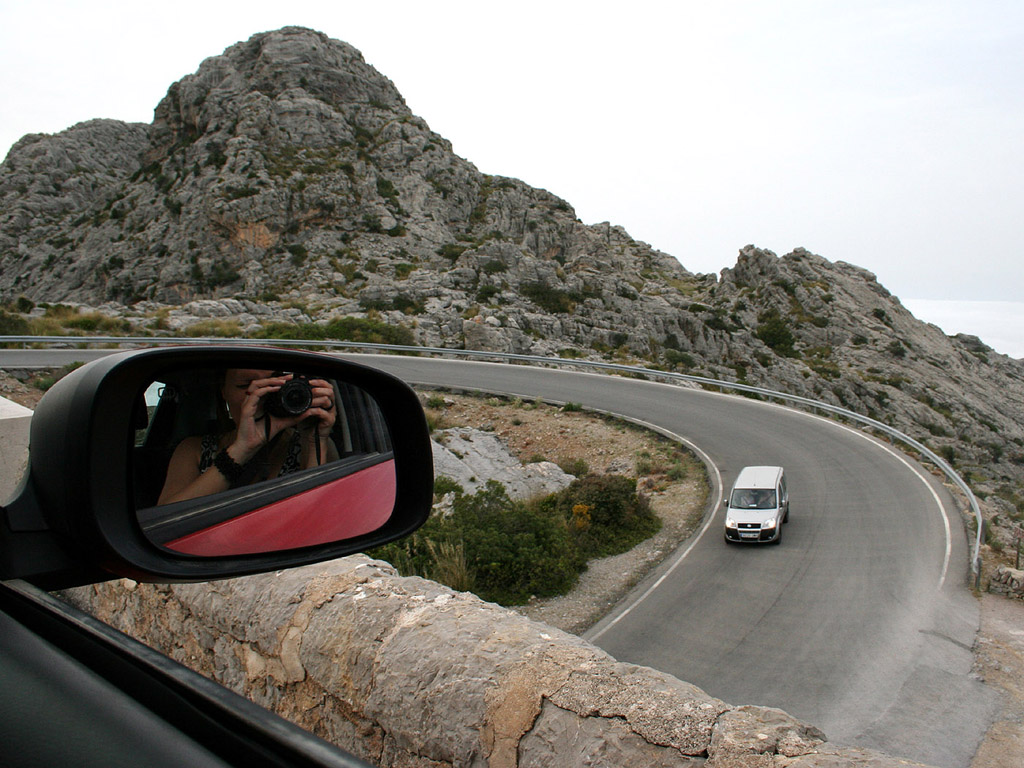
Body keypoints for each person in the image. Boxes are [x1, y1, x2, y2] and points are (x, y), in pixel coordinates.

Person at [157, 369, 339, 505]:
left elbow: (322, 515)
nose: (261, 393)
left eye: (275, 383)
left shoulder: (312, 444)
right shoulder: (193, 449)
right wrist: (242, 449)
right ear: (224, 392)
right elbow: (165, 523)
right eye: (245, 385)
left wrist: (314, 440)